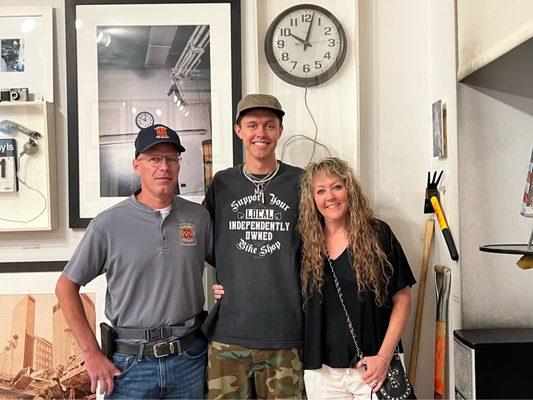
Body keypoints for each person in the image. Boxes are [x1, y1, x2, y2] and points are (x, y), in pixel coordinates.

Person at [55, 124, 213, 399]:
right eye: (154, 158)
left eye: (171, 158)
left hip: (189, 359)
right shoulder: (108, 224)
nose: (163, 166)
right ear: (137, 165)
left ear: (178, 165)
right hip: (130, 366)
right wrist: (92, 354)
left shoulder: (198, 218)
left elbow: (229, 264)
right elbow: (66, 286)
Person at [203, 94, 304, 399]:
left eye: (269, 125)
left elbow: (320, 246)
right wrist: (219, 282)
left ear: (280, 131)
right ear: (239, 131)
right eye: (252, 125)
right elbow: (207, 244)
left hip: (285, 333)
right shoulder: (221, 184)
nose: (261, 133)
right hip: (228, 334)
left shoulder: (302, 181)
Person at [298, 157, 416, 399]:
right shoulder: (304, 245)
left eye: (336, 187)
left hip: (373, 369)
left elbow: (402, 299)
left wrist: (384, 358)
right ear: (312, 199)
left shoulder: (378, 235)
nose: (329, 196)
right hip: (323, 373)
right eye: (320, 191)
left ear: (349, 189)